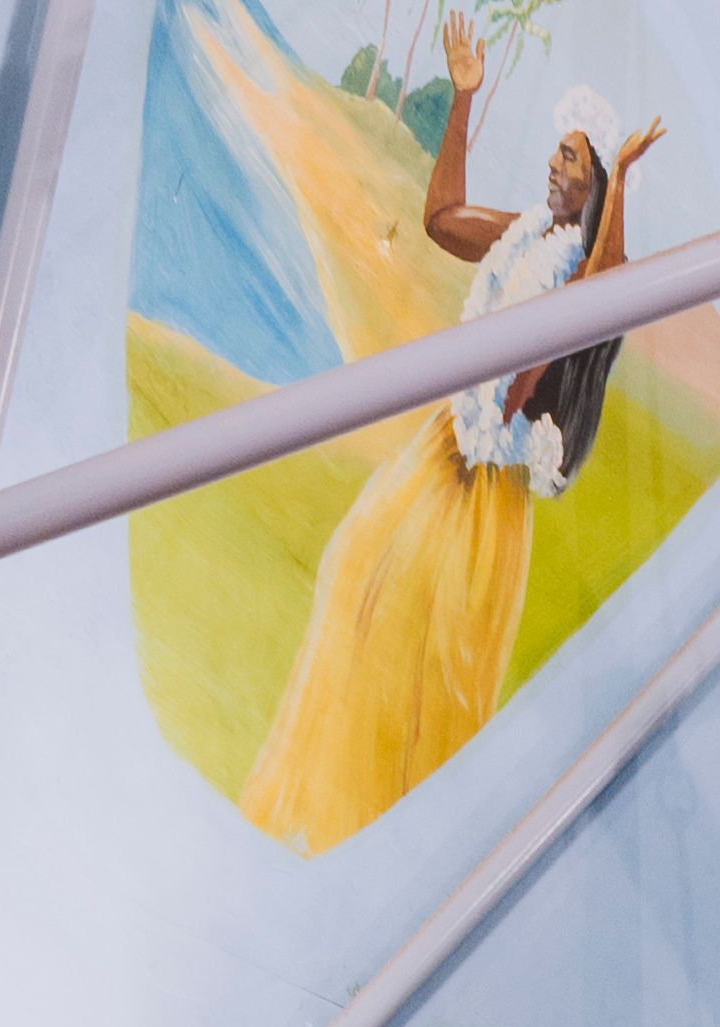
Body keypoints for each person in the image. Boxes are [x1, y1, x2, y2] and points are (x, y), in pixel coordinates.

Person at [241, 16, 666, 856]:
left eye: (570, 158)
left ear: (593, 186)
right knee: (353, 569)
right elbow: (439, 219)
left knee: (438, 664)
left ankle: (401, 840)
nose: (553, 165)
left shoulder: (586, 272)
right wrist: (464, 98)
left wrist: (620, 178)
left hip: (487, 489)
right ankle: (333, 802)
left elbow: (602, 289)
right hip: (443, 449)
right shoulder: (525, 233)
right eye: (558, 153)